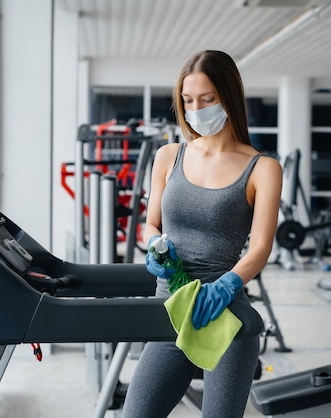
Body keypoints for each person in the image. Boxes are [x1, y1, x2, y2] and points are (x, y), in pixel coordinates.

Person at [122, 50, 282, 418]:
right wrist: (153, 245)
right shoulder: (169, 156)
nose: (196, 109)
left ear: (229, 97)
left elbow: (259, 248)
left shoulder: (263, 168)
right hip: (170, 309)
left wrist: (226, 285)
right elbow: (152, 224)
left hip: (224, 314)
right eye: (188, 100)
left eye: (207, 99)